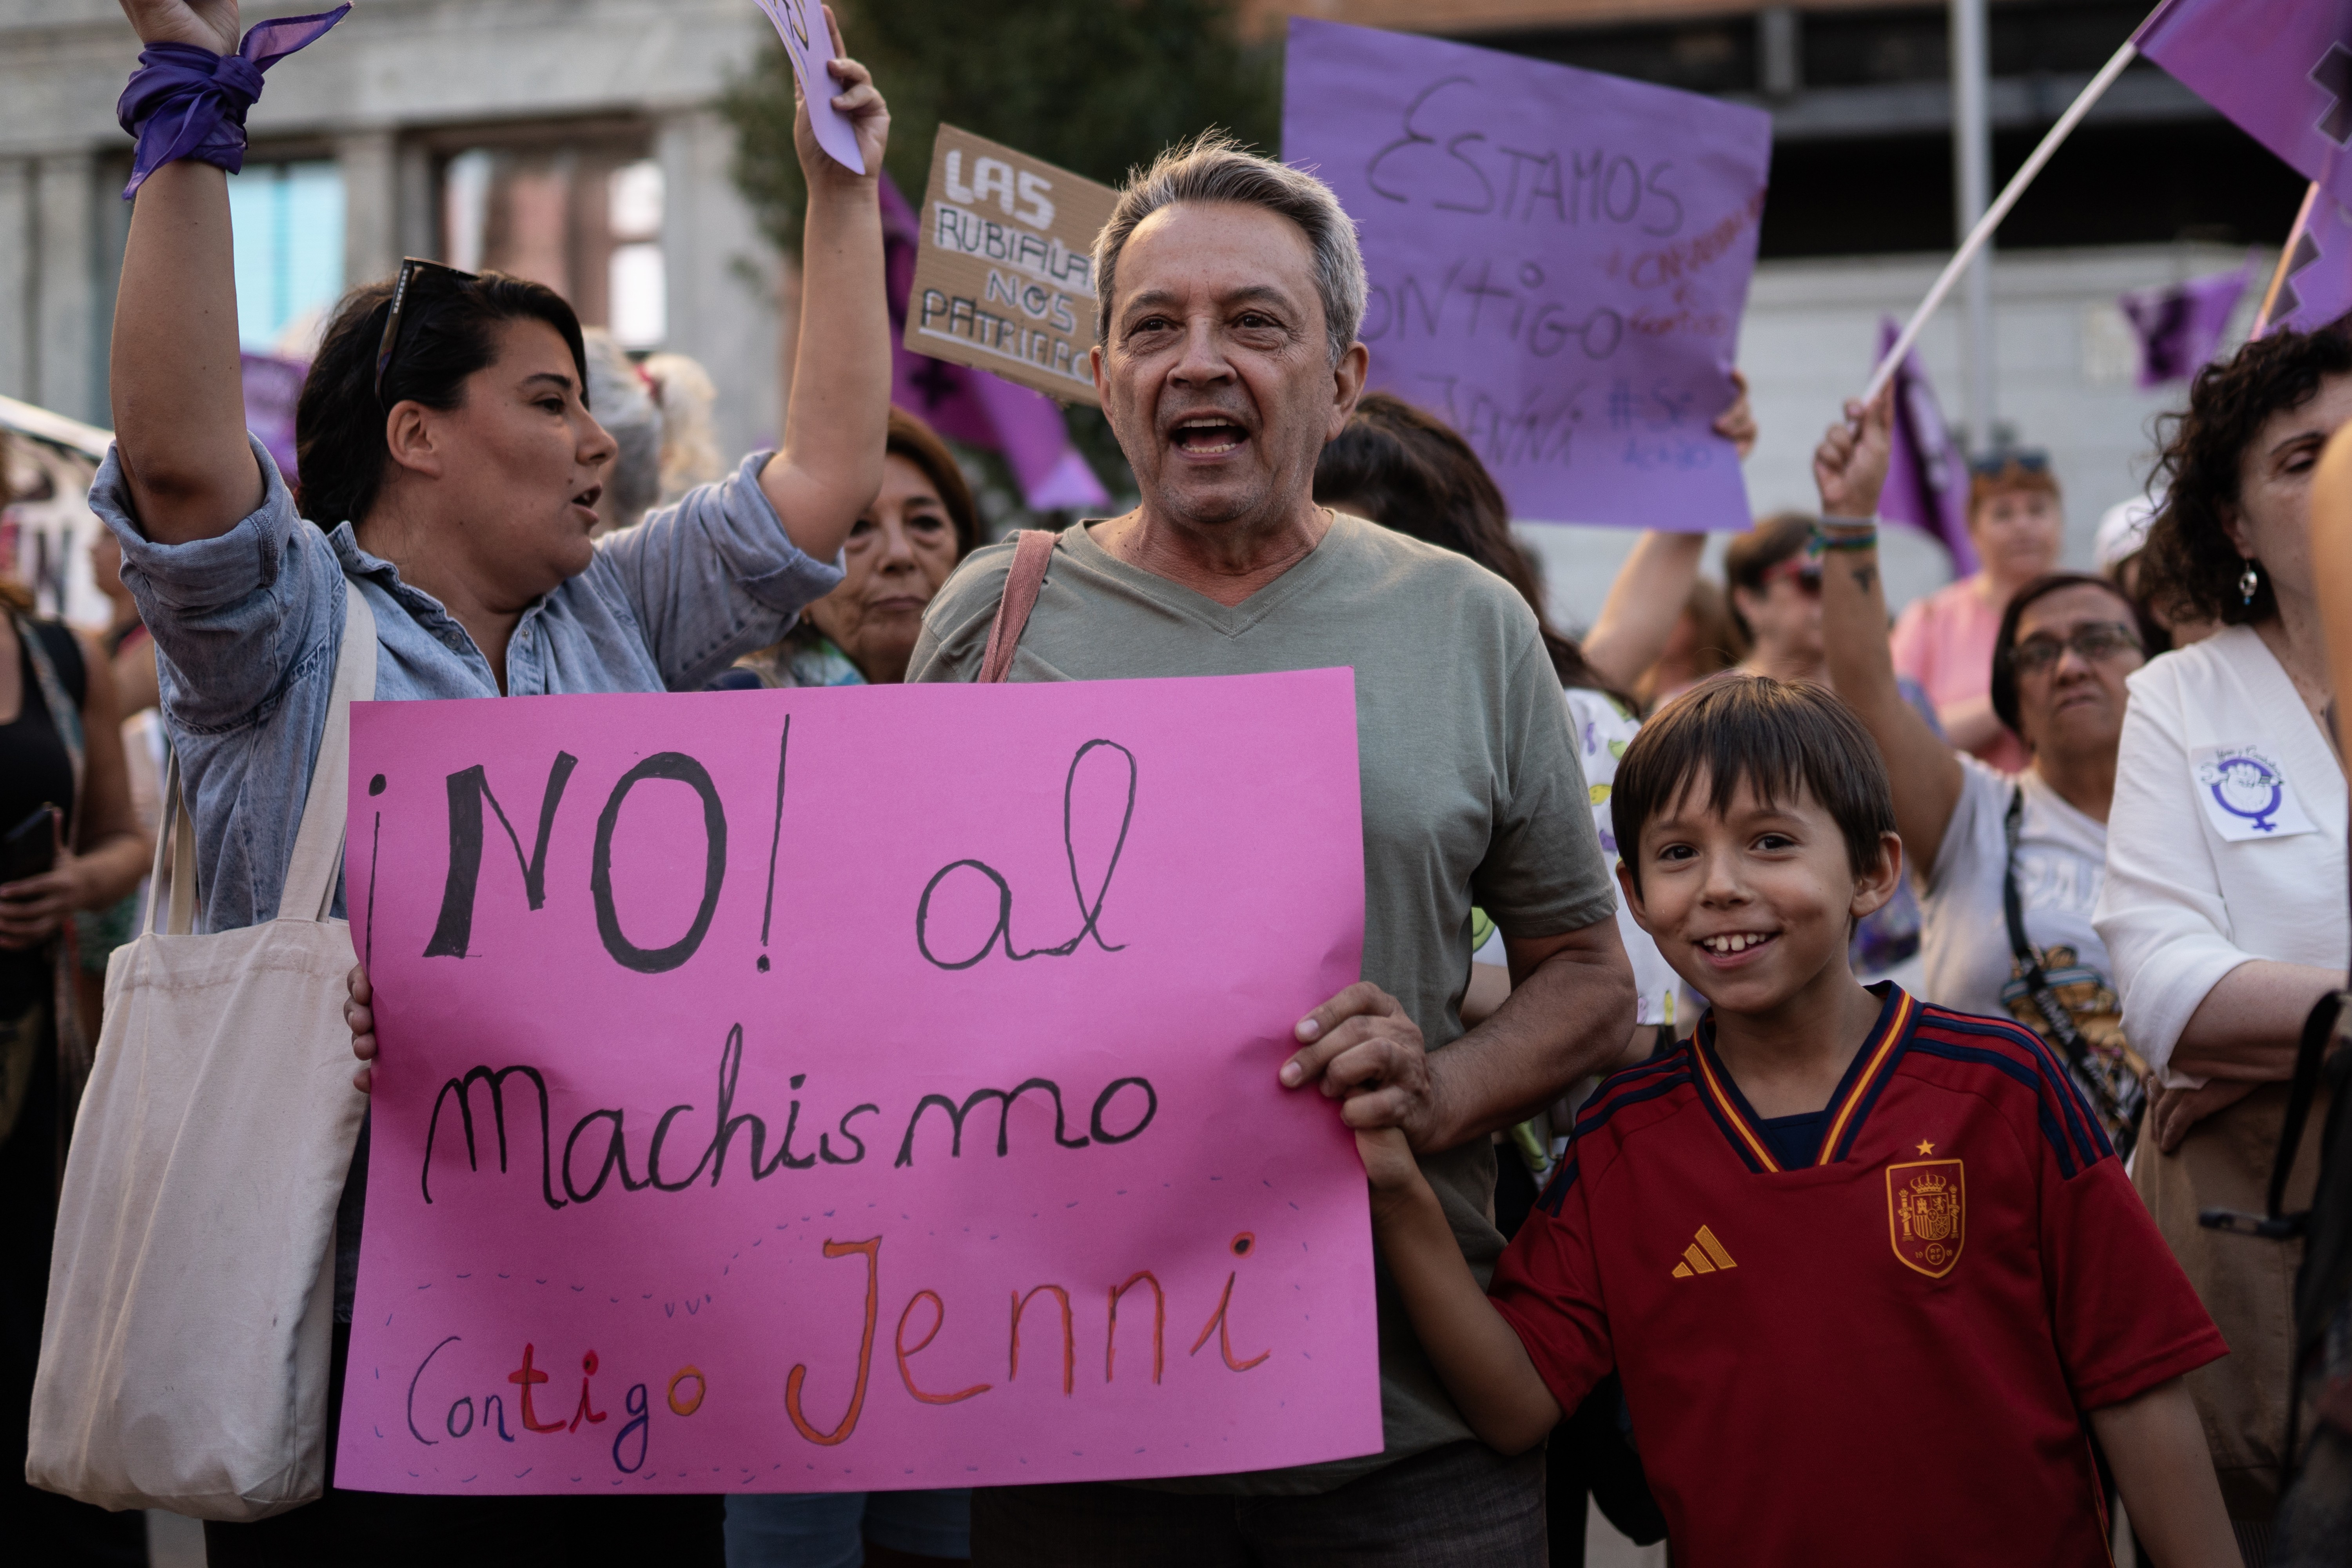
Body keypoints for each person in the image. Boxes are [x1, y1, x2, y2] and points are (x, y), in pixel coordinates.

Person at [101, 2, 893, 1561]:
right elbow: (188, 466)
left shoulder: (618, 615)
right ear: (418, 435)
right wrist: (194, 117)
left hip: (624, 1346)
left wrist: (841, 189)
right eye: (549, 399)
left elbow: (825, 477)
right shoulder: (286, 631)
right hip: (346, 1370)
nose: (601, 443)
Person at [907, 132, 1637, 1565]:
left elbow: (1588, 981)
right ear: (1103, 376)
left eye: (1252, 321)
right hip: (1073, 1425)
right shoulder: (994, 618)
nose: (1198, 361)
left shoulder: (1469, 622)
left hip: (1412, 1438)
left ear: (1342, 377)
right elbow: (872, 980)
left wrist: (1430, 1093)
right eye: (1152, 327)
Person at [1348, 673, 2239, 1567]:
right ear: (1632, 891)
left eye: (1770, 841)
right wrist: (1398, 1191)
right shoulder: (1623, 1140)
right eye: (1677, 854)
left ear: (1872, 872)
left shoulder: (2002, 1086)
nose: (1720, 886)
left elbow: (2138, 1384)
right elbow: (1515, 1404)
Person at [1312, 391, 1673, 1567]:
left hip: (1510, 1231)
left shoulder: (1570, 726)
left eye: (1360, 547)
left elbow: (1641, 1003)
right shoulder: (1213, 720)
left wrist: (1446, 1003)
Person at [2096, 319, 2352, 1557]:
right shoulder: (2178, 700)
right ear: (2237, 527)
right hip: (2284, 1246)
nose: (2343, 472)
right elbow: (2164, 990)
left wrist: (2294, 1025)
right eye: (2301, 456)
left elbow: (2230, 1007)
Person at [720, 405, 980, 1568]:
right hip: (778, 1256)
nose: (895, 550)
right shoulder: (721, 726)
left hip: (984, 1264)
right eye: (857, 527)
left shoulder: (1047, 731)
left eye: (925, 522)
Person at [1813, 394, 2151, 1147]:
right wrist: (1848, 520)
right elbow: (1869, 690)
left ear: (2159, 675)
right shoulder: (1974, 818)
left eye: (2100, 641)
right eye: (2037, 653)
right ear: (2014, 708)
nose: (2069, 666)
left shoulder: (2214, 825)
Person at [0, 555, 154, 1564]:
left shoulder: (60, 658)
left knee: (42, 1365)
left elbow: (124, 839)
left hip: (39, 1077)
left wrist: (72, 882)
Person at [735, 408, 978, 690]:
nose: (899, 554)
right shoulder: (732, 709)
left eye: (925, 523)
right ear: (795, 578)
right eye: (856, 528)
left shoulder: (1019, 708)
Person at [1890, 450, 2066, 772]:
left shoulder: (2095, 610)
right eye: (2002, 515)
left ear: (2060, 523)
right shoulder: (1928, 620)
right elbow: (1894, 733)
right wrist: (2009, 701)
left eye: (2037, 510)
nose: (2023, 525)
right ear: (1973, 532)